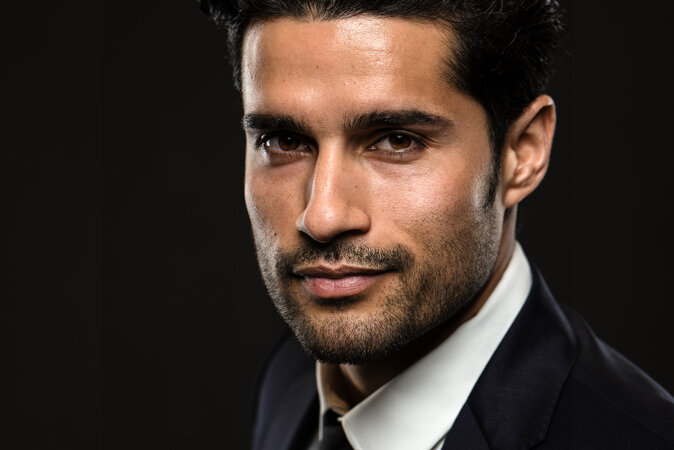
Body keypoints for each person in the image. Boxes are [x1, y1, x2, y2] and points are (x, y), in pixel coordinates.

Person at [200, 1, 674, 449]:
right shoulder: (292, 377)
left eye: (397, 141)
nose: (322, 217)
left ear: (522, 153)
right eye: (283, 140)